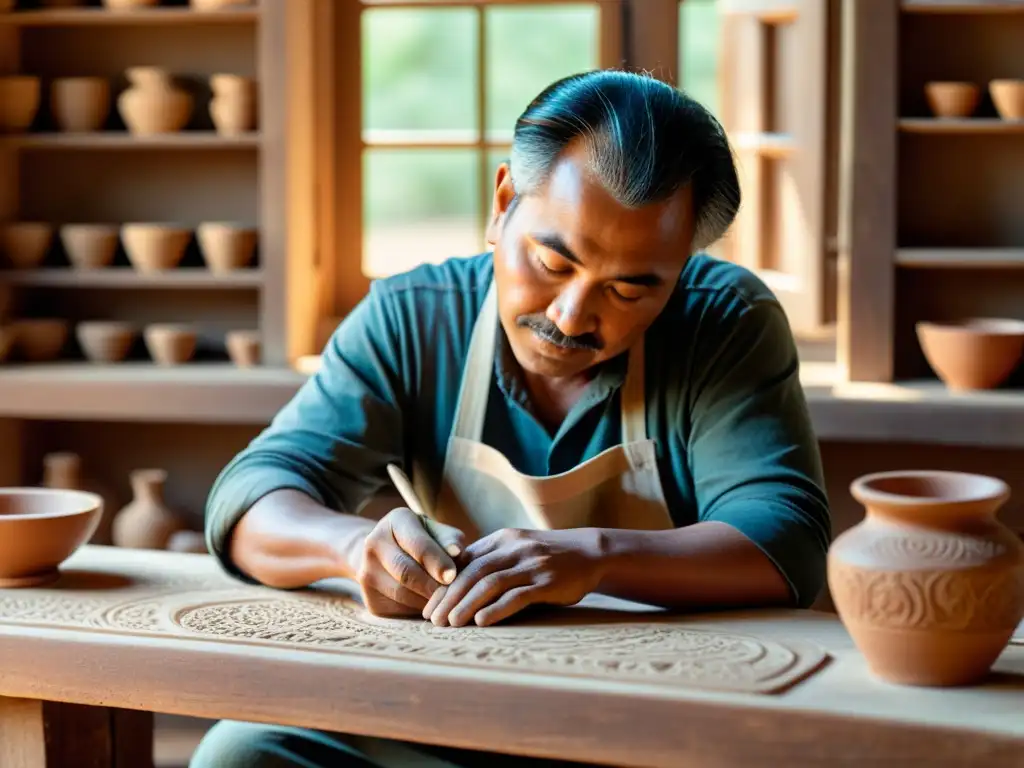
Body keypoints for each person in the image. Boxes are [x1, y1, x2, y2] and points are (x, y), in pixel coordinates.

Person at [191, 69, 831, 768]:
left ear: (682, 269)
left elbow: (784, 542)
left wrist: (593, 557)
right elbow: (252, 496)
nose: (572, 316)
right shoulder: (413, 317)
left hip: (660, 720)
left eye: (628, 289)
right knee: (245, 753)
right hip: (451, 708)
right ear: (502, 205)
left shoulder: (723, 321)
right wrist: (353, 550)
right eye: (553, 261)